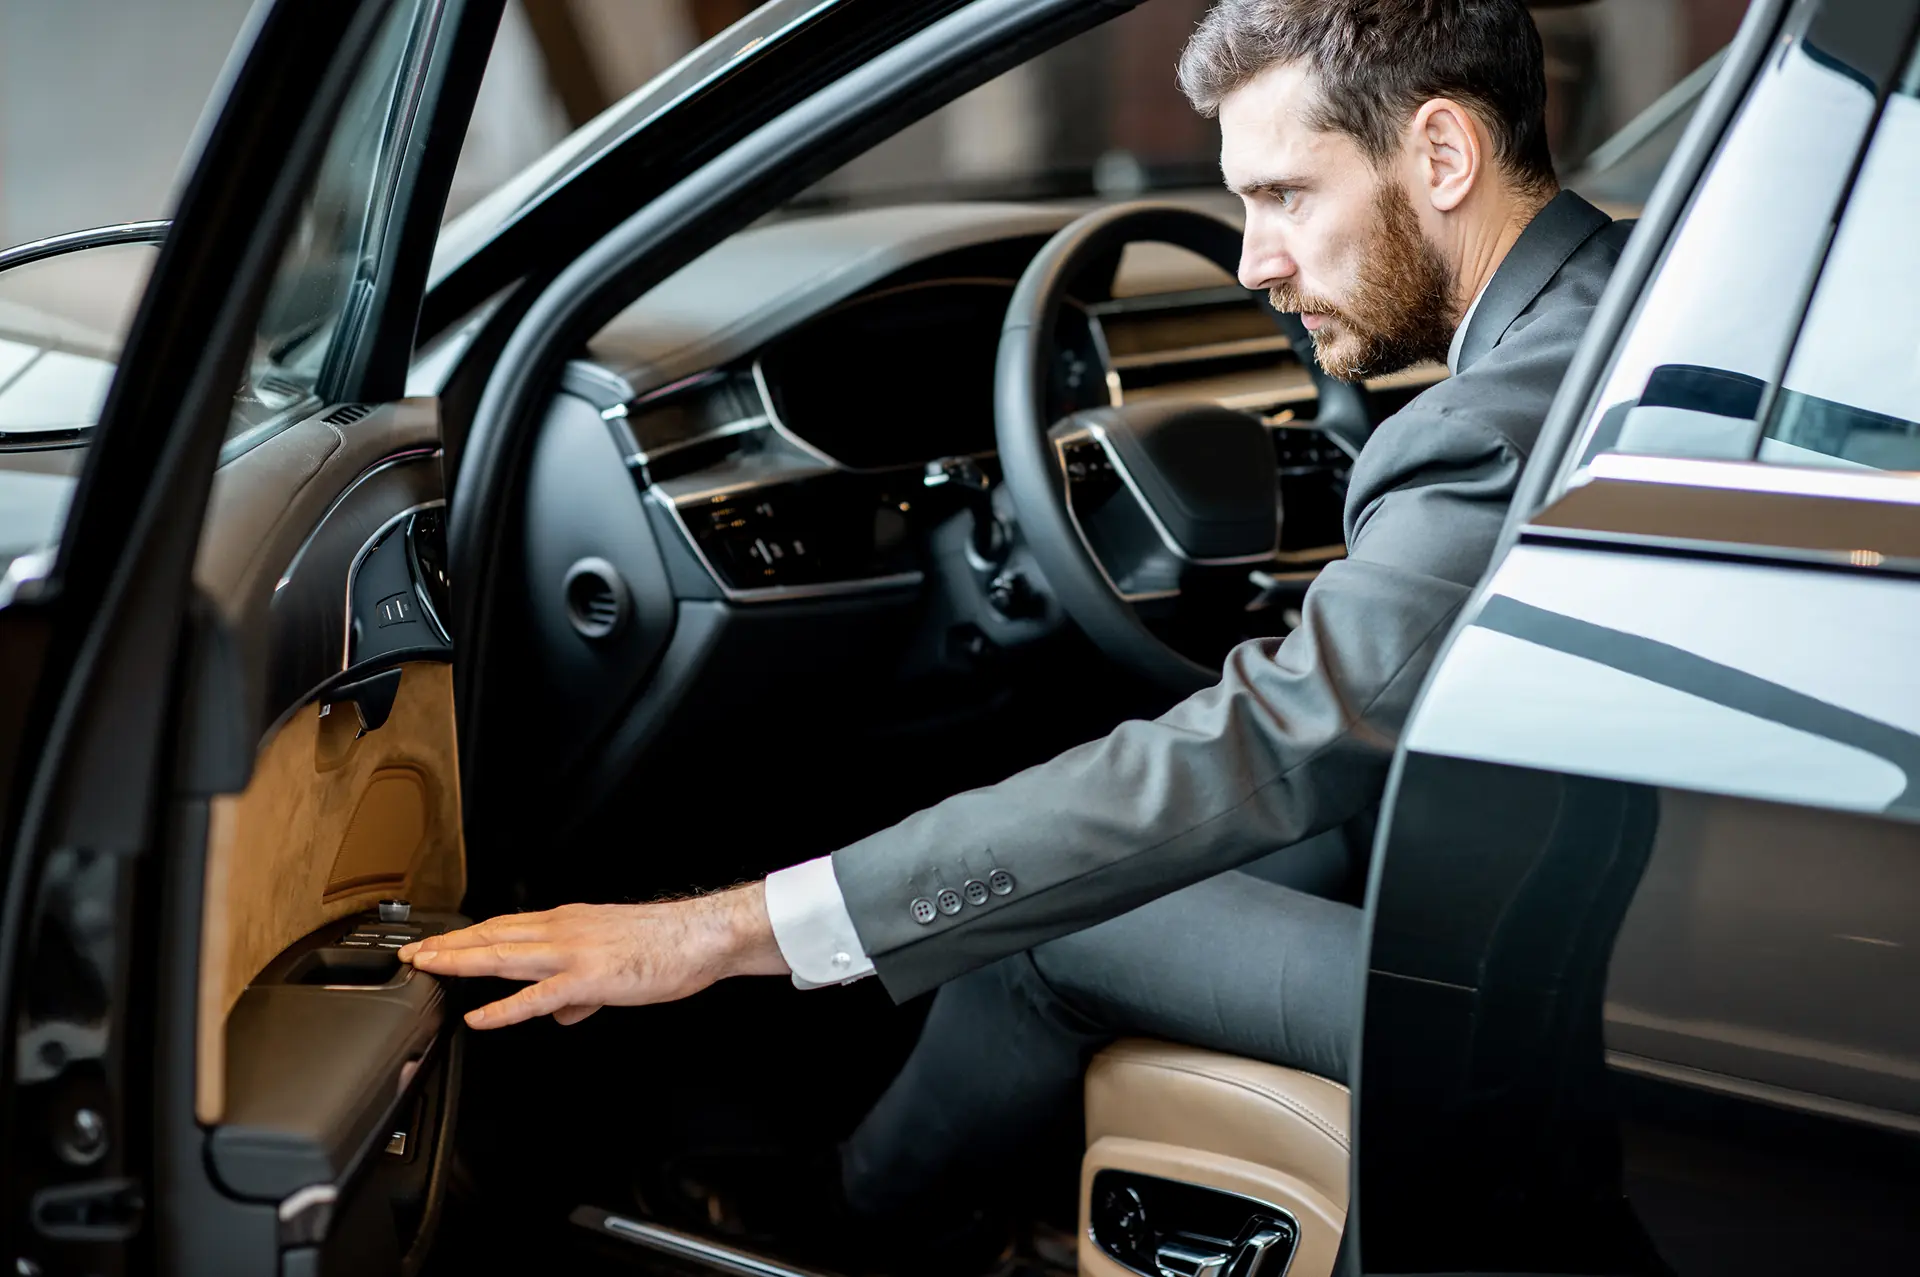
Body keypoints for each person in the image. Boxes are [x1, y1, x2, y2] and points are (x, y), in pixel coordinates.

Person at [403, 0, 1633, 1260]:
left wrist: (719, 928)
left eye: (1285, 195)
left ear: (1442, 153)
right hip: (1588, 918)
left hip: (1550, 1019)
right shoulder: (1631, 301)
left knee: (1050, 918)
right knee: (1129, 864)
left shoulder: (1482, 430)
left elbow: (1283, 736)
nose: (1253, 262)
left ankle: (847, 1232)